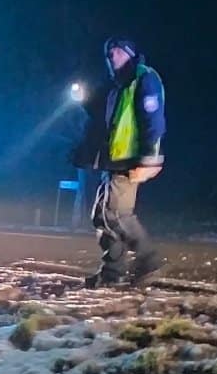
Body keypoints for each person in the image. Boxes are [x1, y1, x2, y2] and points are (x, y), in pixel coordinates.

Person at [71, 37, 167, 288]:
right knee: (101, 216)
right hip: (114, 162)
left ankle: (148, 260)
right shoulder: (117, 86)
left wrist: (149, 159)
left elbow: (153, 121)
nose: (113, 57)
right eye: (109, 53)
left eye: (118, 52)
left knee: (115, 215)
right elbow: (102, 120)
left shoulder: (143, 79)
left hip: (130, 160)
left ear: (130, 54)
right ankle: (112, 273)